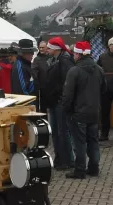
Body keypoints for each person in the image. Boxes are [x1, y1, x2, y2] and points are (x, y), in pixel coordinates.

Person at [63, 41, 106, 179]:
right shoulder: (99, 69)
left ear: (78, 54)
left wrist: (67, 109)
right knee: (93, 141)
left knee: (79, 142)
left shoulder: (74, 71)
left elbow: (68, 95)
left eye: (74, 53)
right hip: (94, 112)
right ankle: (94, 168)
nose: (73, 56)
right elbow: (104, 89)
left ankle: (80, 170)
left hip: (78, 113)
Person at [45, 36, 75, 170]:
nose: (46, 49)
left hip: (59, 102)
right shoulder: (55, 60)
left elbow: (66, 83)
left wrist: (62, 98)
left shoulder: (64, 61)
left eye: (49, 47)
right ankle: (60, 159)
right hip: (54, 102)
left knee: (63, 132)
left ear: (55, 49)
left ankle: (67, 160)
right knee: (57, 132)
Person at [32, 41, 50, 112]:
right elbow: (33, 72)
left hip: (50, 87)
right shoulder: (37, 59)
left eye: (43, 47)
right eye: (40, 47)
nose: (41, 49)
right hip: (42, 87)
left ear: (46, 48)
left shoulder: (50, 57)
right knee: (43, 107)